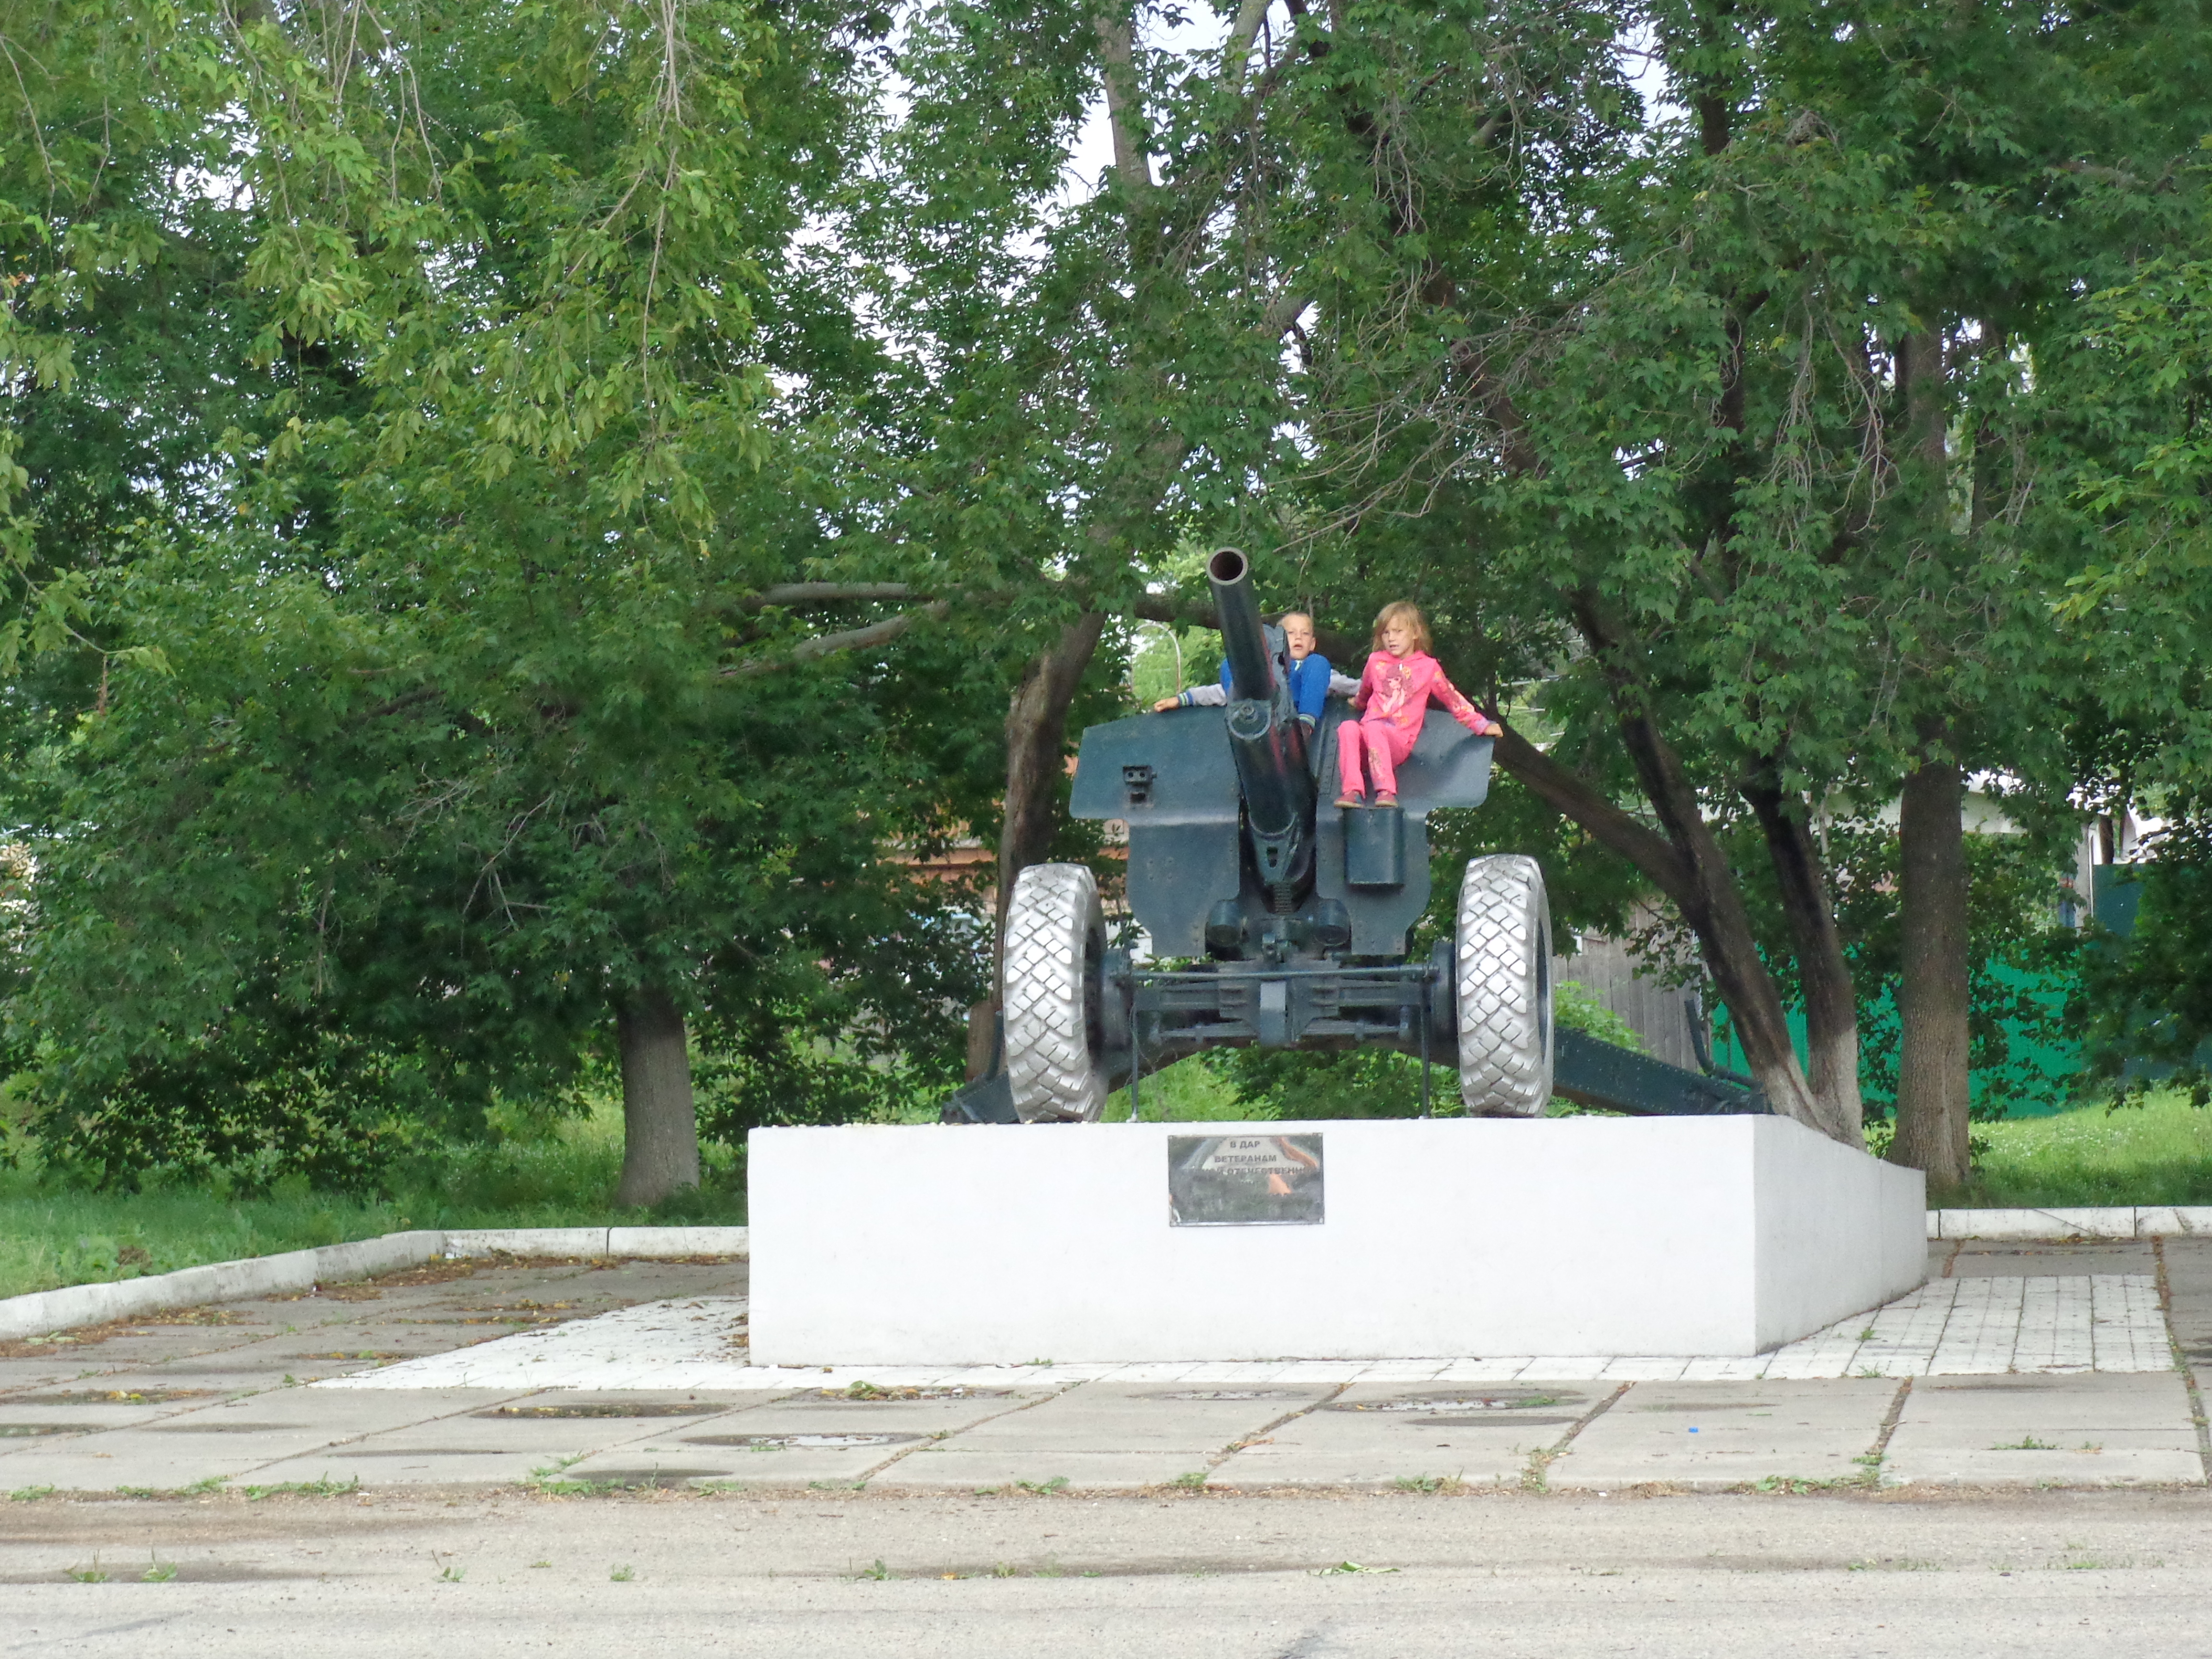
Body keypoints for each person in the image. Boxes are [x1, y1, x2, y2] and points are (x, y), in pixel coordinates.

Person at [1335, 601, 1502, 808]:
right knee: (1347, 728)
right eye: (1386, 633)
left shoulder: (1428, 668)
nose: (1391, 638)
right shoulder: (1375, 662)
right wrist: (1357, 703)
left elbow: (1453, 699)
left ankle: (1386, 791)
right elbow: (1365, 692)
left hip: (1398, 740)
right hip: (1369, 735)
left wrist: (1481, 725)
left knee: (1375, 728)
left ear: (1415, 633)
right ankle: (1352, 791)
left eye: (1398, 632)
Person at [1153, 611, 1336, 727]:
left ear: (1312, 643)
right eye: (1290, 633)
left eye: (1305, 634)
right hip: (1258, 709)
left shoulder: (1316, 669)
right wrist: (1182, 699)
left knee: (1319, 663)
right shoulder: (1267, 669)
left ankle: (1306, 725)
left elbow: (1343, 685)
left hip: (1295, 716)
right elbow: (1218, 692)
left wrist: (1364, 690)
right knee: (1232, 663)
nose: (1298, 638)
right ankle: (1240, 714)